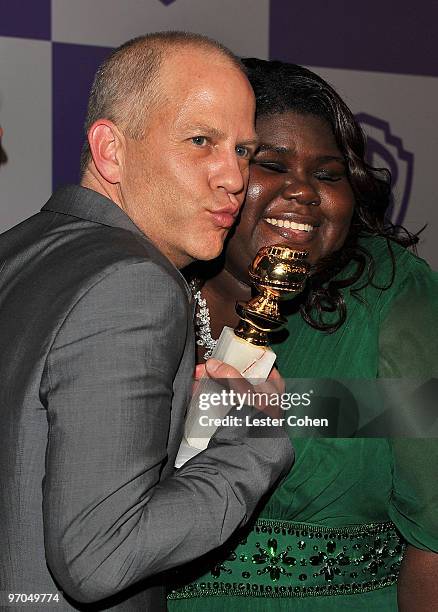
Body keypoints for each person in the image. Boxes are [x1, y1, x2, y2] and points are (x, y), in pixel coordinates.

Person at [0, 36, 294, 611]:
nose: (233, 176)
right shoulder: (132, 283)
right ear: (110, 150)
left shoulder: (18, 249)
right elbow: (101, 556)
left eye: (242, 150)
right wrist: (255, 442)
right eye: (200, 141)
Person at [167, 59, 438, 610]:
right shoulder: (142, 288)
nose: (304, 192)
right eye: (271, 164)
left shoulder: (389, 295)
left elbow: (434, 536)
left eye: (329, 174)